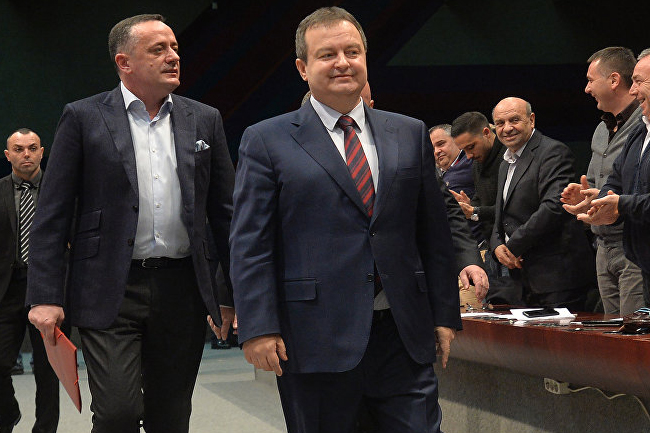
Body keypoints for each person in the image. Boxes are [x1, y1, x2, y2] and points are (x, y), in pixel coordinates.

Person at [230, 7, 461, 433]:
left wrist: (444, 314)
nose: (342, 62)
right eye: (327, 54)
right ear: (303, 68)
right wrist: (258, 327)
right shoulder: (266, 139)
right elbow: (251, 244)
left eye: (352, 51)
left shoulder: (409, 132)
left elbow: (432, 232)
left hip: (402, 334)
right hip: (314, 338)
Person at [25, 14, 235, 433]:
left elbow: (226, 214)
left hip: (182, 289)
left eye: (174, 47)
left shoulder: (204, 118)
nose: (173, 56)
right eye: (158, 49)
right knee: (118, 412)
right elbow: (51, 215)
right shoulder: (83, 117)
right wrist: (44, 296)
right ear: (124, 62)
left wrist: (230, 292)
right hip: (108, 287)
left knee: (170, 417)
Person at [490, 97, 595, 310]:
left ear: (531, 120)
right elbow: (501, 214)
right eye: (500, 123)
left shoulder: (553, 151)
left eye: (514, 120)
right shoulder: (505, 163)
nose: (507, 128)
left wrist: (512, 246)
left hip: (558, 277)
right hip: (523, 279)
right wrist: (496, 245)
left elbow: (553, 207)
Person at [561, 47, 644, 315]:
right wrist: (586, 197)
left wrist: (612, 201)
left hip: (633, 243)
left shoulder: (642, 127)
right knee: (610, 332)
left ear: (614, 80)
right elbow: (600, 184)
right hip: (602, 246)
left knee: (635, 330)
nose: (586, 89)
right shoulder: (600, 129)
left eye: (590, 80)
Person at [1, 129, 61, 433]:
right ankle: (8, 413)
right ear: (7, 155)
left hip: (48, 289)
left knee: (49, 371)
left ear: (41, 152)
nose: (26, 154)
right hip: (7, 290)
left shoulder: (60, 190)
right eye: (19, 148)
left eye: (32, 148)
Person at [450, 111, 519, 304]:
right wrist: (471, 205)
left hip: (513, 251)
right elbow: (482, 200)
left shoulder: (508, 157)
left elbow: (511, 206)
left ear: (487, 133)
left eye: (471, 147)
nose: (469, 155)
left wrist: (475, 211)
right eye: (464, 151)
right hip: (492, 250)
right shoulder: (477, 163)